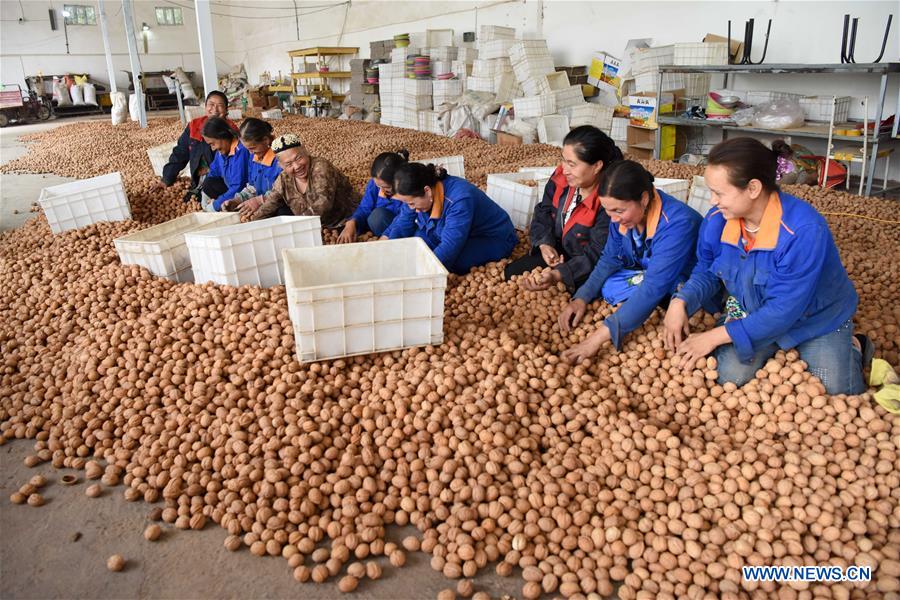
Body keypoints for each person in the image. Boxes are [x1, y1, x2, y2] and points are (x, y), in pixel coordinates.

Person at [663, 137, 873, 395]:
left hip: (815, 319)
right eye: (711, 192)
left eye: (719, 193)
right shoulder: (718, 220)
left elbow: (783, 309)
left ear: (753, 188)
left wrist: (713, 337)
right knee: (728, 376)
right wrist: (681, 301)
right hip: (754, 310)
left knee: (834, 390)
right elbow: (708, 270)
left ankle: (855, 346)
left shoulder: (803, 231)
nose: (712, 202)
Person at [559, 160, 703, 364]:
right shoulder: (619, 217)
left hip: (683, 279)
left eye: (619, 211)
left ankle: (660, 304)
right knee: (609, 286)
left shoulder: (678, 223)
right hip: (651, 273)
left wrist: (595, 340)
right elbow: (609, 258)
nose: (613, 219)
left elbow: (652, 286)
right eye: (608, 210)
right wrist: (582, 298)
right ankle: (642, 307)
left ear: (643, 199)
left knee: (659, 293)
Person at [503, 125, 623, 292]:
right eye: (563, 160)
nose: (564, 169)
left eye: (572, 164)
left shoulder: (609, 199)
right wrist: (544, 244)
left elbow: (598, 252)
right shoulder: (562, 176)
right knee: (512, 273)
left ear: (597, 166)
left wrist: (559, 274)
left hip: (588, 259)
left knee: (580, 290)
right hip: (560, 249)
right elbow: (544, 210)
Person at [382, 163, 518, 275]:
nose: (412, 208)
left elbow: (450, 245)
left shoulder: (459, 199)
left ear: (427, 191)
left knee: (455, 261)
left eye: (412, 203)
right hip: (449, 232)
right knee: (416, 244)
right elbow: (403, 222)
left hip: (492, 237)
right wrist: (387, 252)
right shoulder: (414, 192)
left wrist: (421, 276)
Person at [240, 134, 359, 225]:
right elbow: (270, 204)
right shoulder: (284, 179)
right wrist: (251, 224)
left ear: (305, 151)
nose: (297, 166)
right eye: (289, 164)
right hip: (312, 226)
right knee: (279, 211)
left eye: (299, 158)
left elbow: (322, 207)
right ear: (281, 166)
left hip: (346, 222)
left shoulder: (321, 167)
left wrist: (296, 226)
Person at [156, 91, 237, 202]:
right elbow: (180, 152)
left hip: (221, 181)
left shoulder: (231, 131)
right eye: (211, 104)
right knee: (189, 199)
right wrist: (167, 178)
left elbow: (234, 165)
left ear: (226, 110)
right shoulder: (194, 126)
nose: (215, 109)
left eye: (220, 105)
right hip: (198, 179)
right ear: (205, 107)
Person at [337, 150, 409, 243]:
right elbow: (365, 207)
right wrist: (352, 222)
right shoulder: (375, 184)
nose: (381, 190)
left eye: (386, 187)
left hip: (400, 227)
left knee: (377, 217)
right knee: (373, 218)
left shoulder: (408, 190)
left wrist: (386, 236)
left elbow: (404, 218)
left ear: (398, 181)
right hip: (382, 228)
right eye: (378, 186)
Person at [221, 118, 282, 212]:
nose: (250, 152)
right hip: (263, 208)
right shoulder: (254, 158)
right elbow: (252, 187)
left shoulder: (281, 159)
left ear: (266, 140)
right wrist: (237, 200)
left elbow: (282, 191)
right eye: (248, 149)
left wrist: (260, 200)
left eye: (253, 148)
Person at [199, 117, 251, 212]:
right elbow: (213, 172)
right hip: (230, 187)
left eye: (213, 144)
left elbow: (238, 187)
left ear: (222, 136)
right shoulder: (221, 153)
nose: (212, 148)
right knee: (208, 183)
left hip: (244, 193)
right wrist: (205, 193)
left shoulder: (240, 151)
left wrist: (216, 205)